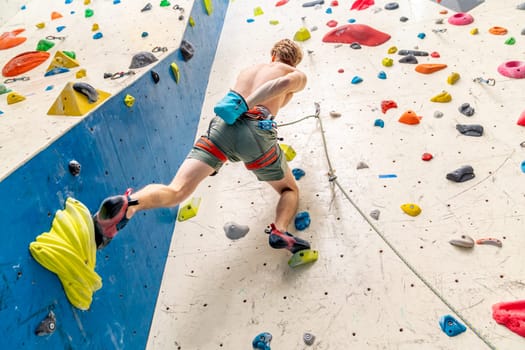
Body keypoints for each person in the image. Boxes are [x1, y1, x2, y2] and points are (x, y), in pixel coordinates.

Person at [93, 38, 311, 255]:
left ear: (272, 55)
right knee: (288, 189)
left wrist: (240, 104)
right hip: (255, 130)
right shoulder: (292, 73)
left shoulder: (249, 70)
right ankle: (279, 231)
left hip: (221, 128)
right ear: (294, 62)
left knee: (177, 191)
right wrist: (248, 104)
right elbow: (282, 84)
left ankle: (130, 203)